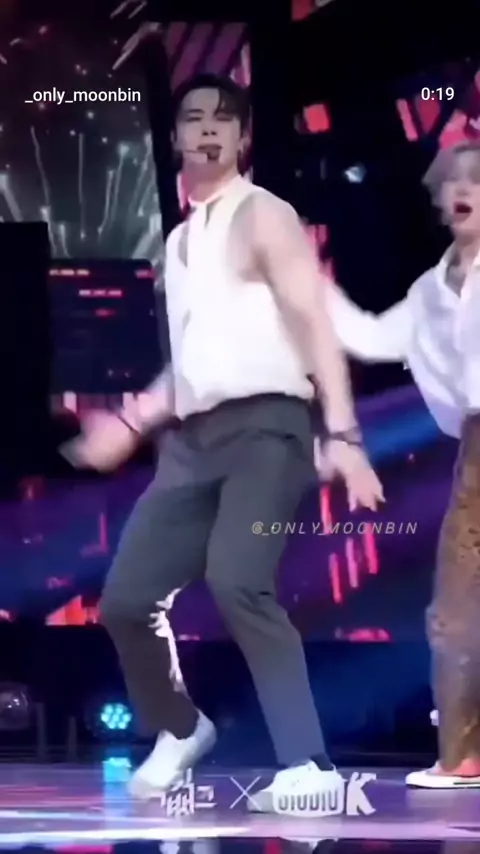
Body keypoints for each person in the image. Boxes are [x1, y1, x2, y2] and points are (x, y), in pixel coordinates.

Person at [64, 72, 383, 807]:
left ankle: (310, 766)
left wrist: (343, 431)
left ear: (242, 138)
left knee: (240, 579)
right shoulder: (180, 243)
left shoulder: (265, 214)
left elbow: (312, 321)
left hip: (268, 428)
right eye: (194, 118)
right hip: (191, 443)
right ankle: (180, 728)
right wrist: (131, 423)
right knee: (126, 599)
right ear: (176, 138)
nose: (208, 128)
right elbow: (191, 364)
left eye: (223, 119)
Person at [325, 140, 480, 788]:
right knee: (456, 610)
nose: (463, 190)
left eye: (477, 179)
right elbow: (367, 336)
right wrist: (303, 280)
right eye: (453, 181)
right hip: (475, 447)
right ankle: (462, 756)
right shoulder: (429, 291)